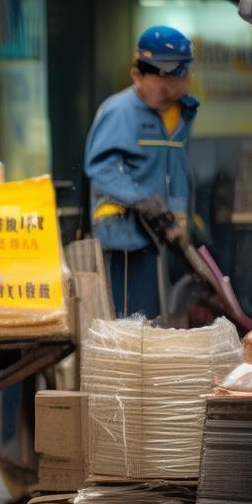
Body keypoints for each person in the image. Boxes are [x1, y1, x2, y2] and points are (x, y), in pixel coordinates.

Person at [85, 25, 198, 320]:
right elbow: (102, 168)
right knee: (132, 323)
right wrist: (142, 201)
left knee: (162, 322)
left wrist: (179, 225)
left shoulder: (178, 115)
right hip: (125, 237)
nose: (177, 82)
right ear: (139, 75)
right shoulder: (119, 112)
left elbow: (177, 173)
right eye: (168, 76)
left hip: (164, 237)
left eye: (180, 73)